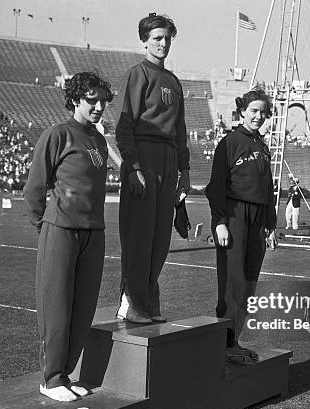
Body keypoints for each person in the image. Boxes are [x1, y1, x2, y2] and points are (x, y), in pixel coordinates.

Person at [23, 71, 113, 402]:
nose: (99, 106)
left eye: (103, 100)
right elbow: (34, 189)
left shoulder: (100, 140)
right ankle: (51, 378)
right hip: (61, 230)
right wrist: (47, 228)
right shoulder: (57, 134)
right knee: (56, 305)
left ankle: (65, 374)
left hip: (94, 232)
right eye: (92, 100)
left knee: (82, 307)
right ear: (75, 99)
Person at [115, 13, 191, 324]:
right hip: (143, 157)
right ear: (145, 40)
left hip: (168, 159)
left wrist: (184, 173)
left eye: (167, 38)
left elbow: (181, 131)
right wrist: (133, 167)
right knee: (139, 236)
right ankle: (132, 302)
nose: (163, 43)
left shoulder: (173, 82)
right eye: (157, 37)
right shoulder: (137, 74)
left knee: (160, 239)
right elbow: (124, 126)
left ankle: (148, 300)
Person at [205, 89, 277, 365]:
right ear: (243, 112)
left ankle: (234, 340)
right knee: (232, 283)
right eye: (254, 111)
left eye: (263, 112)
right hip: (235, 216)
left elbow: (268, 189)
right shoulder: (229, 143)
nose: (258, 116)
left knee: (249, 284)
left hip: (258, 220)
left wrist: (270, 223)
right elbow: (216, 187)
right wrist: (220, 223)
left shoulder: (263, 146)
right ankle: (223, 342)